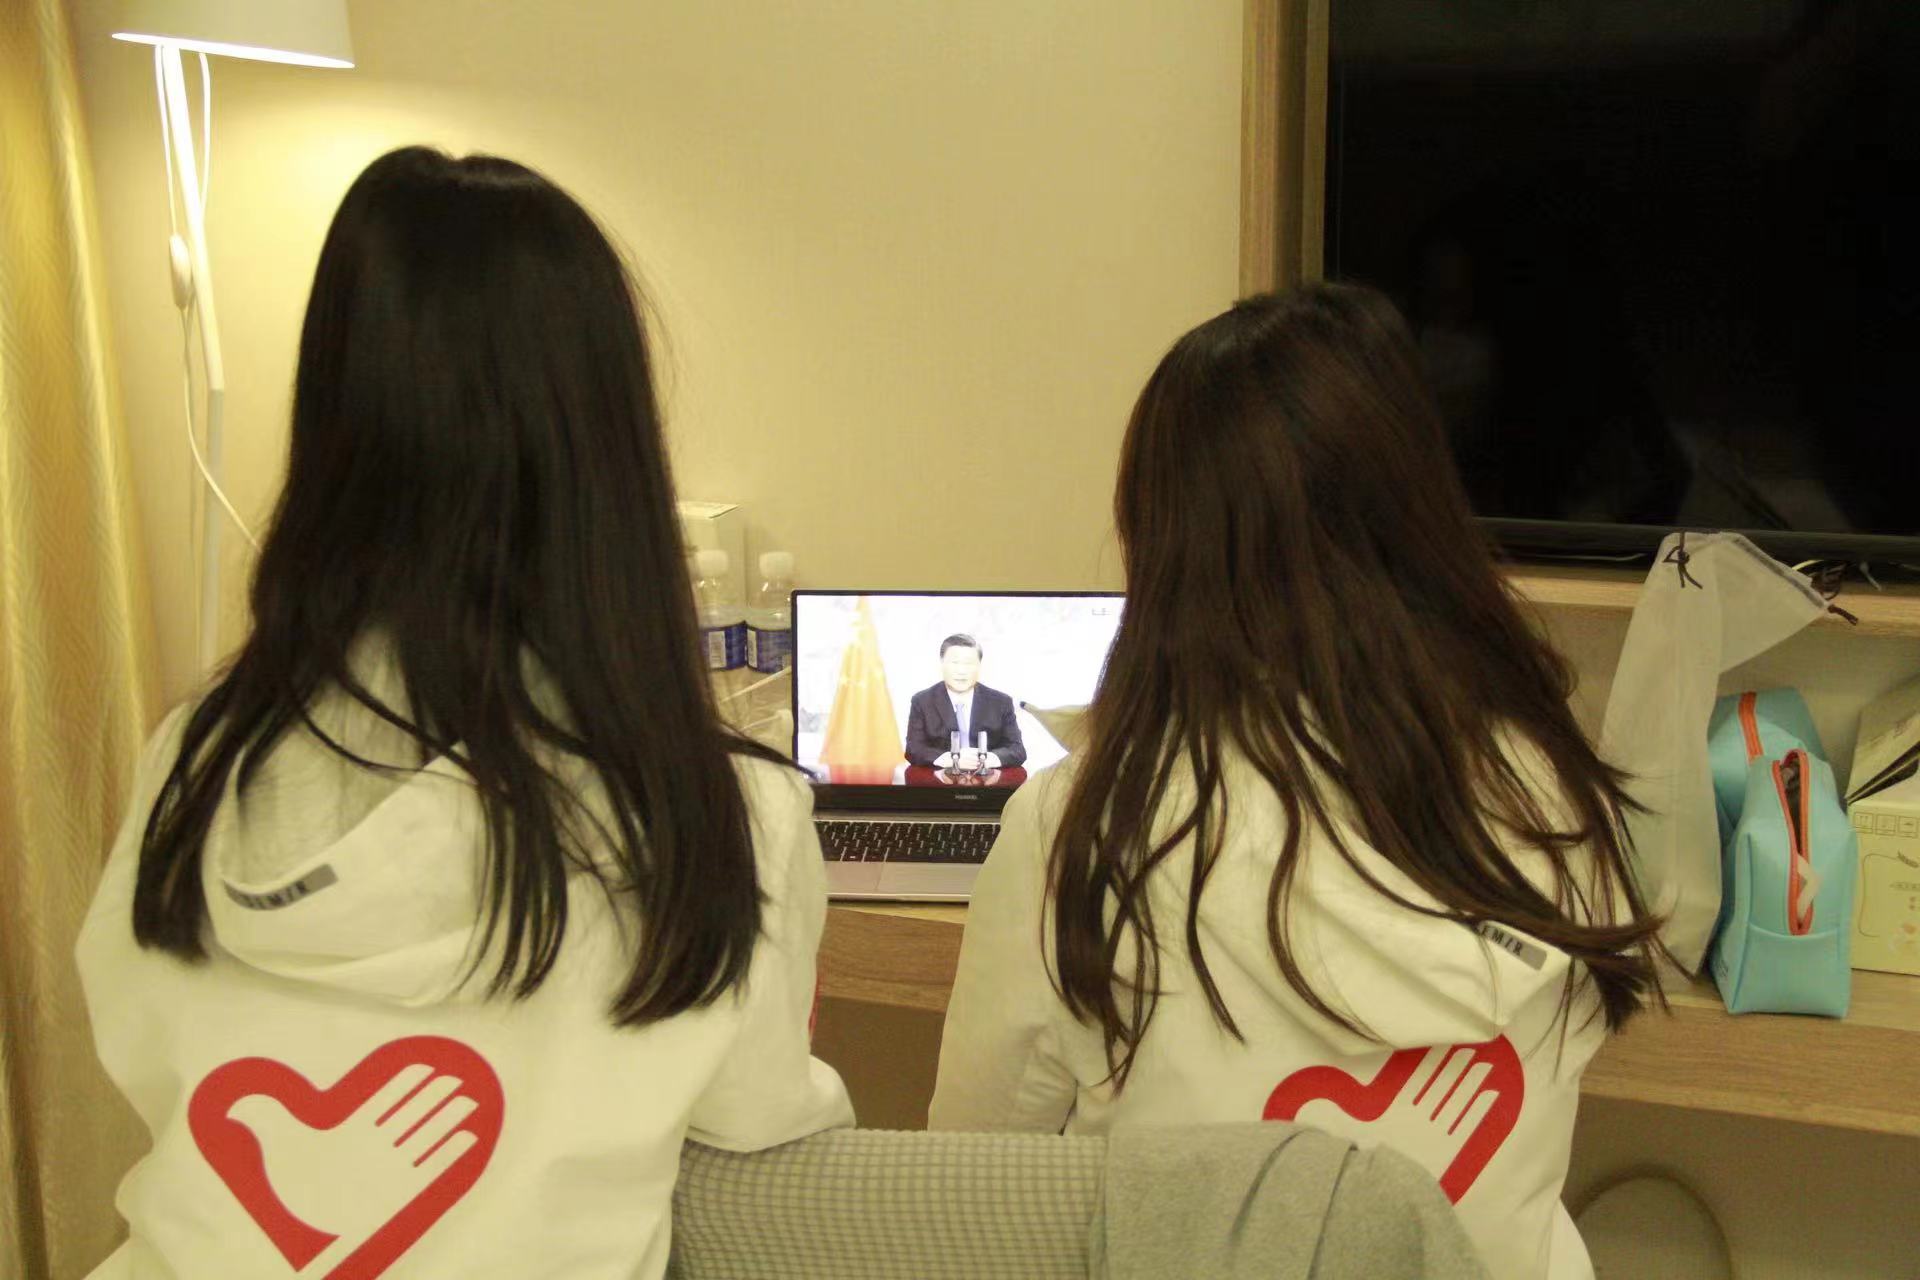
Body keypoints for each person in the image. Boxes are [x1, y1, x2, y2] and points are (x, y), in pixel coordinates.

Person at [76, 147, 850, 1280]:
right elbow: (760, 1120)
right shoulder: (716, 811)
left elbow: (139, 1045)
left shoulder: (200, 760)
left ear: (334, 425)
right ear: (610, 455)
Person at [928, 284, 1667, 1280]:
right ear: (1422, 520)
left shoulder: (1084, 824)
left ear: (1167, 546)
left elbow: (974, 1184)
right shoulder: (1552, 786)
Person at [903, 634, 1027, 770]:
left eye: (968, 664)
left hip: (987, 779)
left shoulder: (1001, 702)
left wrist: (990, 758)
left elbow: (1018, 750)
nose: (961, 671)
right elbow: (913, 749)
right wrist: (950, 759)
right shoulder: (922, 701)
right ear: (941, 663)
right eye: (955, 663)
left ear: (979, 665)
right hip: (941, 779)